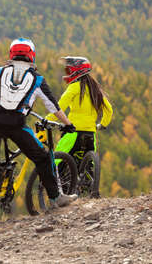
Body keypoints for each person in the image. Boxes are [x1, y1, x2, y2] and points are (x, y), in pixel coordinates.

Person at [0, 38, 78, 208]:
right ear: (32, 55)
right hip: (15, 124)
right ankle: (55, 198)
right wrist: (68, 124)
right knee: (43, 158)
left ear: (11, 54)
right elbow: (53, 107)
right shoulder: (37, 79)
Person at [46, 56, 113, 197]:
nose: (67, 72)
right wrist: (102, 125)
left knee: (58, 161)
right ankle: (90, 191)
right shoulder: (96, 89)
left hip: (73, 133)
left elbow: (58, 107)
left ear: (76, 71)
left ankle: (60, 194)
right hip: (90, 134)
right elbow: (109, 110)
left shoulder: (74, 87)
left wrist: (47, 120)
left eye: (69, 69)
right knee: (88, 166)